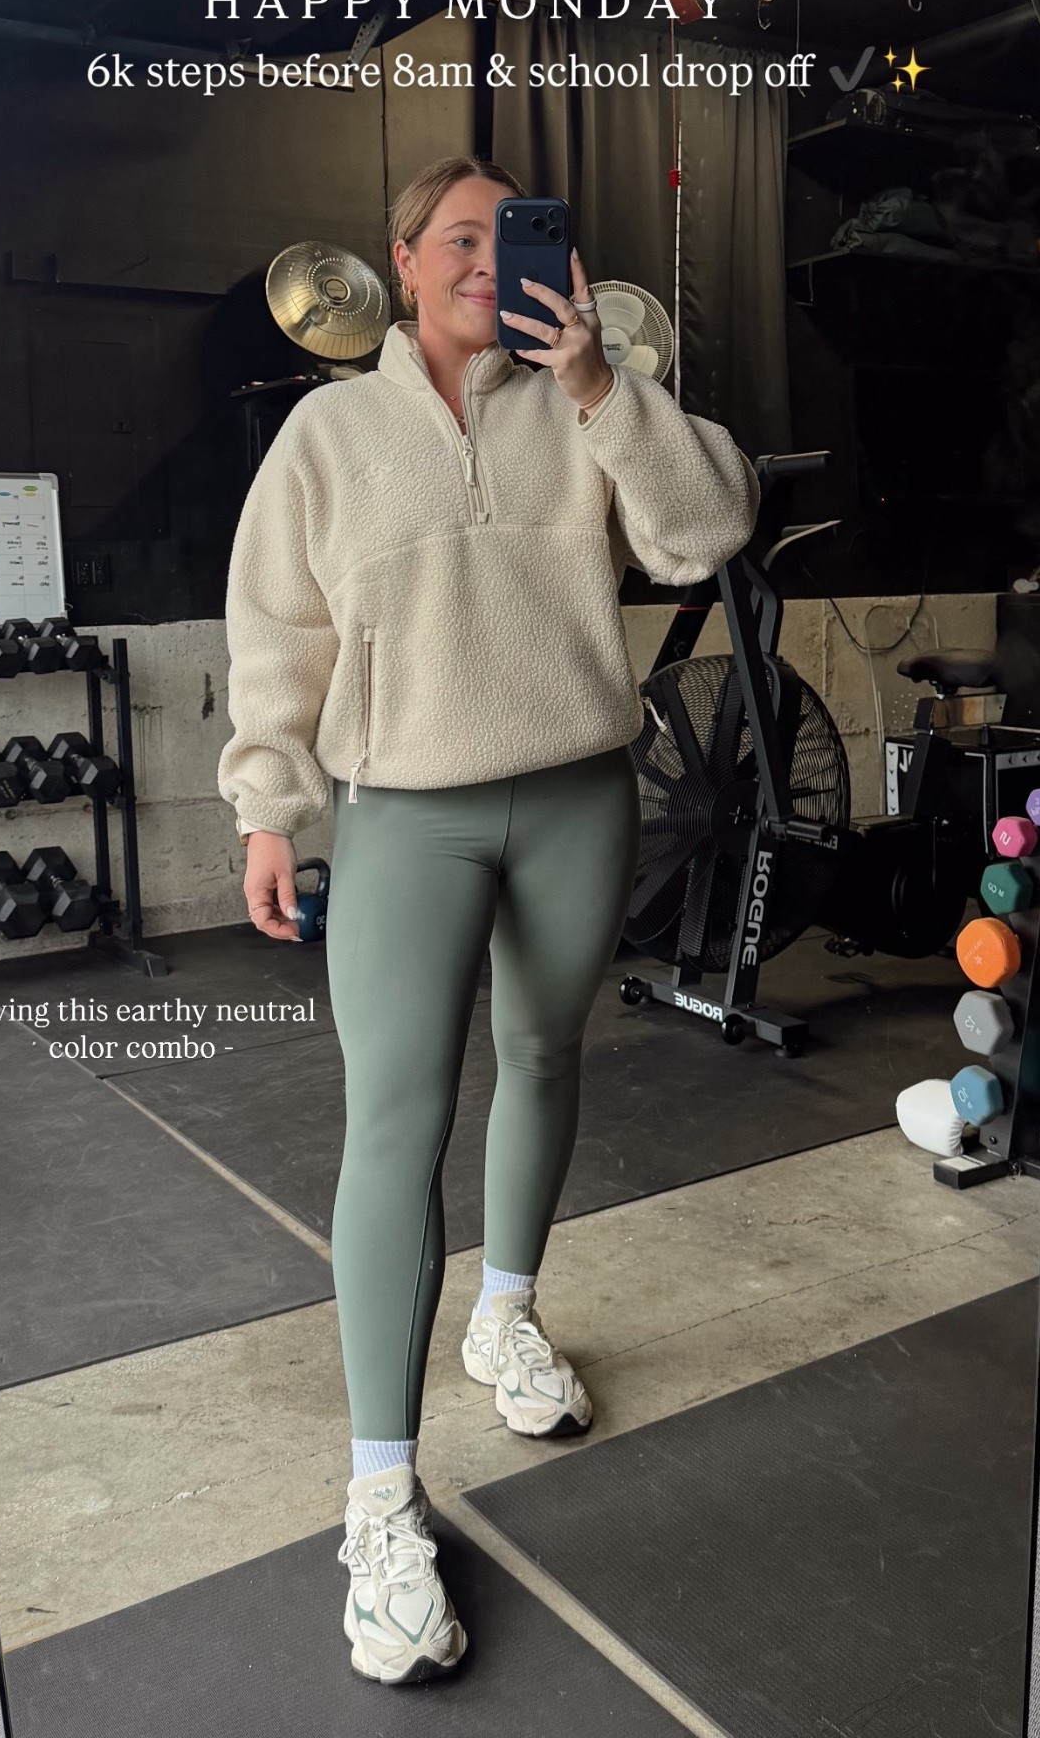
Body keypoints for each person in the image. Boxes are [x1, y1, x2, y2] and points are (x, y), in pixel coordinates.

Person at [218, 154, 758, 1685]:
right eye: (456, 238)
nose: (484, 260)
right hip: (407, 815)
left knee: (546, 1056)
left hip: (578, 796)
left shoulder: (593, 398)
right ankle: (381, 1498)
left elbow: (706, 529)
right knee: (394, 1121)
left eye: (510, 236)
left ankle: (506, 1315)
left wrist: (598, 385)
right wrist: (268, 803)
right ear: (401, 261)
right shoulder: (331, 434)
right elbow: (276, 629)